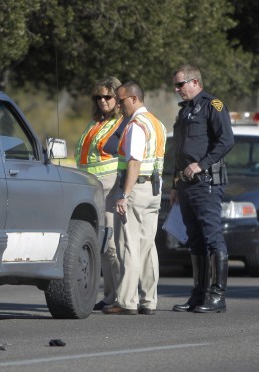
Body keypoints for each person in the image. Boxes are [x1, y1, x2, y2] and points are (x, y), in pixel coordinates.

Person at [170, 64, 234, 313]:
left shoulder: (212, 105)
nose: (177, 89)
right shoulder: (185, 110)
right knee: (194, 239)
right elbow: (179, 151)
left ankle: (217, 296)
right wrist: (175, 183)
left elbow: (226, 140)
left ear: (194, 82)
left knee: (212, 237)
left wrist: (202, 164)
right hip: (186, 184)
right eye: (175, 85)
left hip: (206, 181)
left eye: (180, 84)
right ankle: (199, 294)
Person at [102, 82, 166, 315]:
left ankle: (127, 301)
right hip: (154, 191)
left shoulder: (137, 125)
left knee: (128, 245)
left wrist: (124, 195)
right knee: (148, 247)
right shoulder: (156, 124)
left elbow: (134, 162)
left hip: (137, 190)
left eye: (121, 101)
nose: (118, 106)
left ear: (134, 99)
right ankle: (149, 300)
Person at [74, 76, 126, 311]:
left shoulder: (123, 123)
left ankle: (119, 296)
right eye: (99, 97)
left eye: (108, 96)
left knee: (111, 244)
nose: (103, 101)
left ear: (118, 98)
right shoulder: (95, 122)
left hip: (109, 187)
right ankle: (109, 295)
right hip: (89, 186)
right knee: (101, 243)